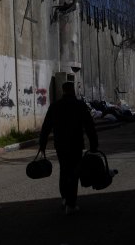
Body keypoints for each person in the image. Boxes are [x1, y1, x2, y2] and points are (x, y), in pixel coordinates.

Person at [39, 82, 99, 215]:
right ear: (73, 90)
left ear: (63, 90)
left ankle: (65, 198)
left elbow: (46, 127)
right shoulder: (80, 105)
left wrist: (42, 145)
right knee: (74, 172)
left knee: (64, 171)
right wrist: (94, 144)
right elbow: (90, 127)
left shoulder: (55, 106)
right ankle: (71, 203)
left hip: (60, 145)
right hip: (76, 144)